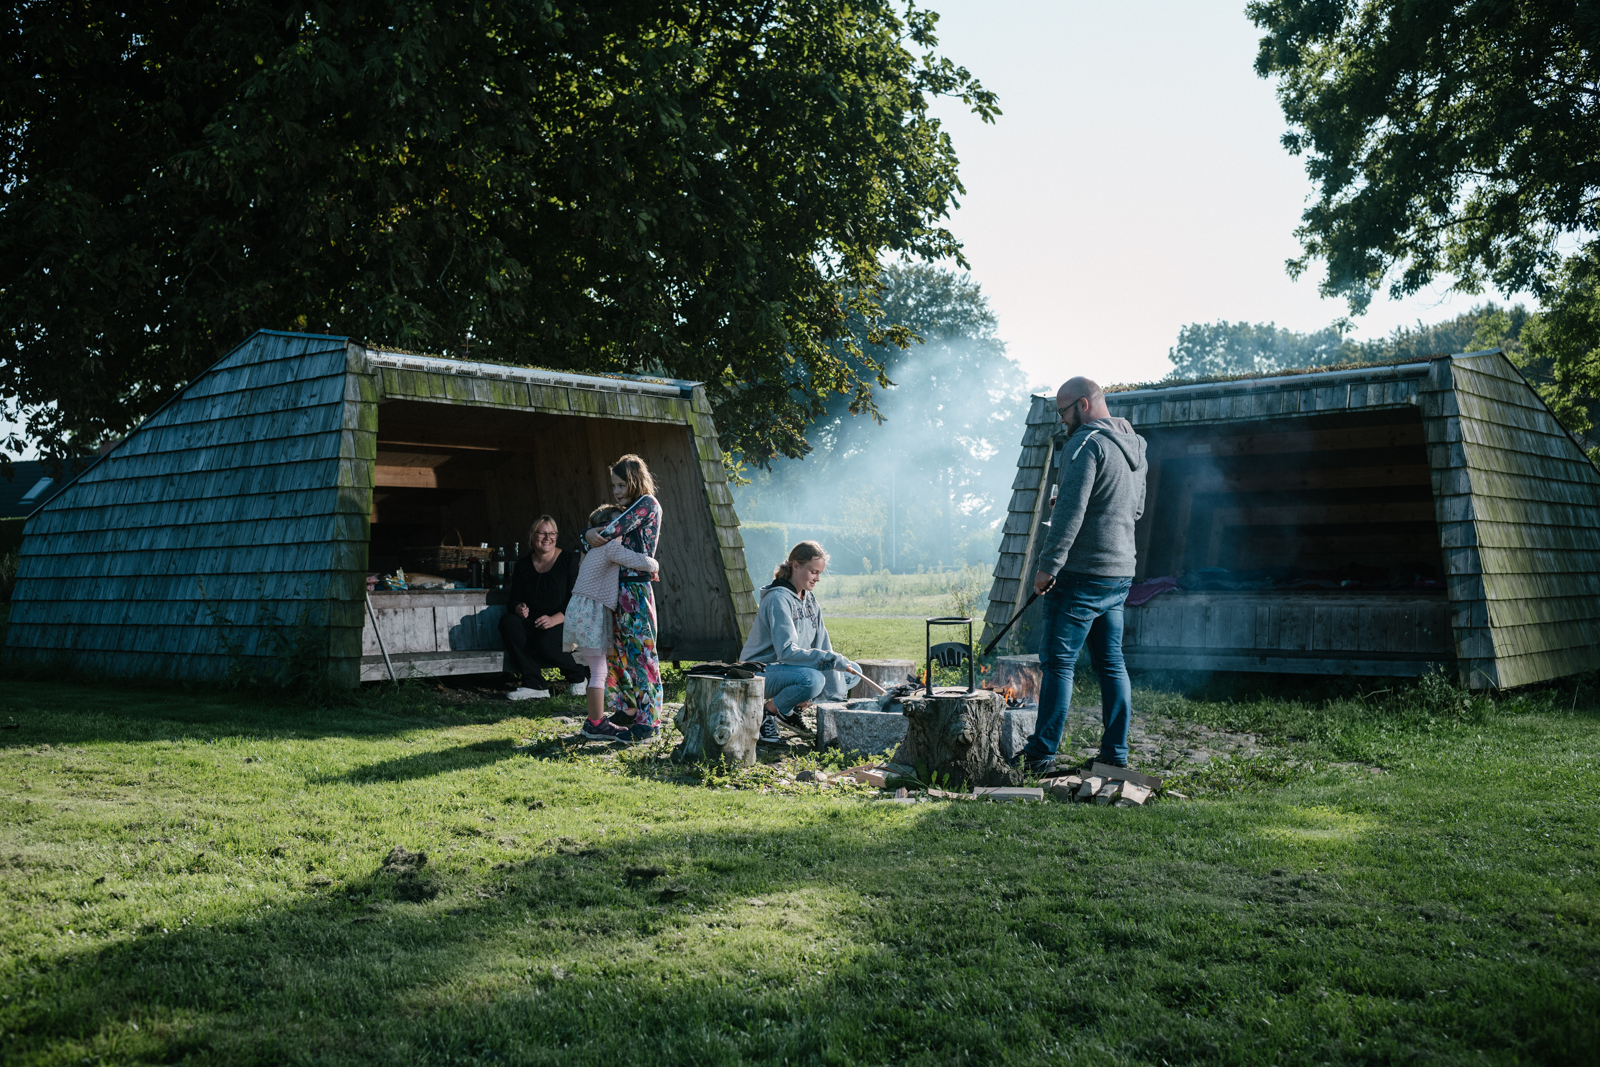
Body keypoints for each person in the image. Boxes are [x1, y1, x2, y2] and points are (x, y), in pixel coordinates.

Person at [1019, 376, 1148, 774]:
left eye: (1063, 412)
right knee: (1111, 663)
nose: (1062, 421)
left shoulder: (1085, 443)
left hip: (1080, 574)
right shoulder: (1137, 447)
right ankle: (1116, 754)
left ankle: (1041, 755)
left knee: (1058, 663)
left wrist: (1047, 568)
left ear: (1084, 404)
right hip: (1119, 573)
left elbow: (1070, 516)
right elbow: (1134, 511)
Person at [738, 541, 863, 745]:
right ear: (796, 565)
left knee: (851, 672)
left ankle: (789, 710)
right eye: (814, 572)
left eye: (820, 573)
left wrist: (836, 697)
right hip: (760, 671)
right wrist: (827, 664)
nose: (818, 578)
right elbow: (786, 652)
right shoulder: (778, 599)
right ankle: (767, 714)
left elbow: (823, 646)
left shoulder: (810, 600)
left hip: (789, 670)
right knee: (813, 680)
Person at [563, 504, 660, 743]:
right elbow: (639, 561)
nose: (623, 528)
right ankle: (596, 724)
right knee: (598, 671)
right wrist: (655, 565)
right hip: (591, 611)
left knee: (598, 668)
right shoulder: (610, 547)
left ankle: (599, 720)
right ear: (606, 528)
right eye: (619, 524)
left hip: (582, 609)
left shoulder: (595, 548)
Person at [584, 454, 664, 740]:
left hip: (636, 591)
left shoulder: (647, 505)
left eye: (620, 485)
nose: (616, 491)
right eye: (614, 486)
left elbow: (608, 533)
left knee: (642, 656)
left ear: (633, 481)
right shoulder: (625, 508)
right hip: (616, 589)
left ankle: (649, 721)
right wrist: (590, 533)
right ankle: (628, 709)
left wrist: (589, 532)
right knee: (619, 654)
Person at [498, 515, 587, 697]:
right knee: (508, 622)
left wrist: (555, 619)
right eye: (542, 533)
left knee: (545, 643)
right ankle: (535, 684)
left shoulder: (569, 560)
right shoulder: (523, 565)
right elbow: (513, 600)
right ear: (532, 536)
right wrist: (518, 608)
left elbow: (577, 599)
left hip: (565, 621)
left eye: (552, 533)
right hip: (534, 622)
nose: (548, 538)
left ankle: (578, 677)